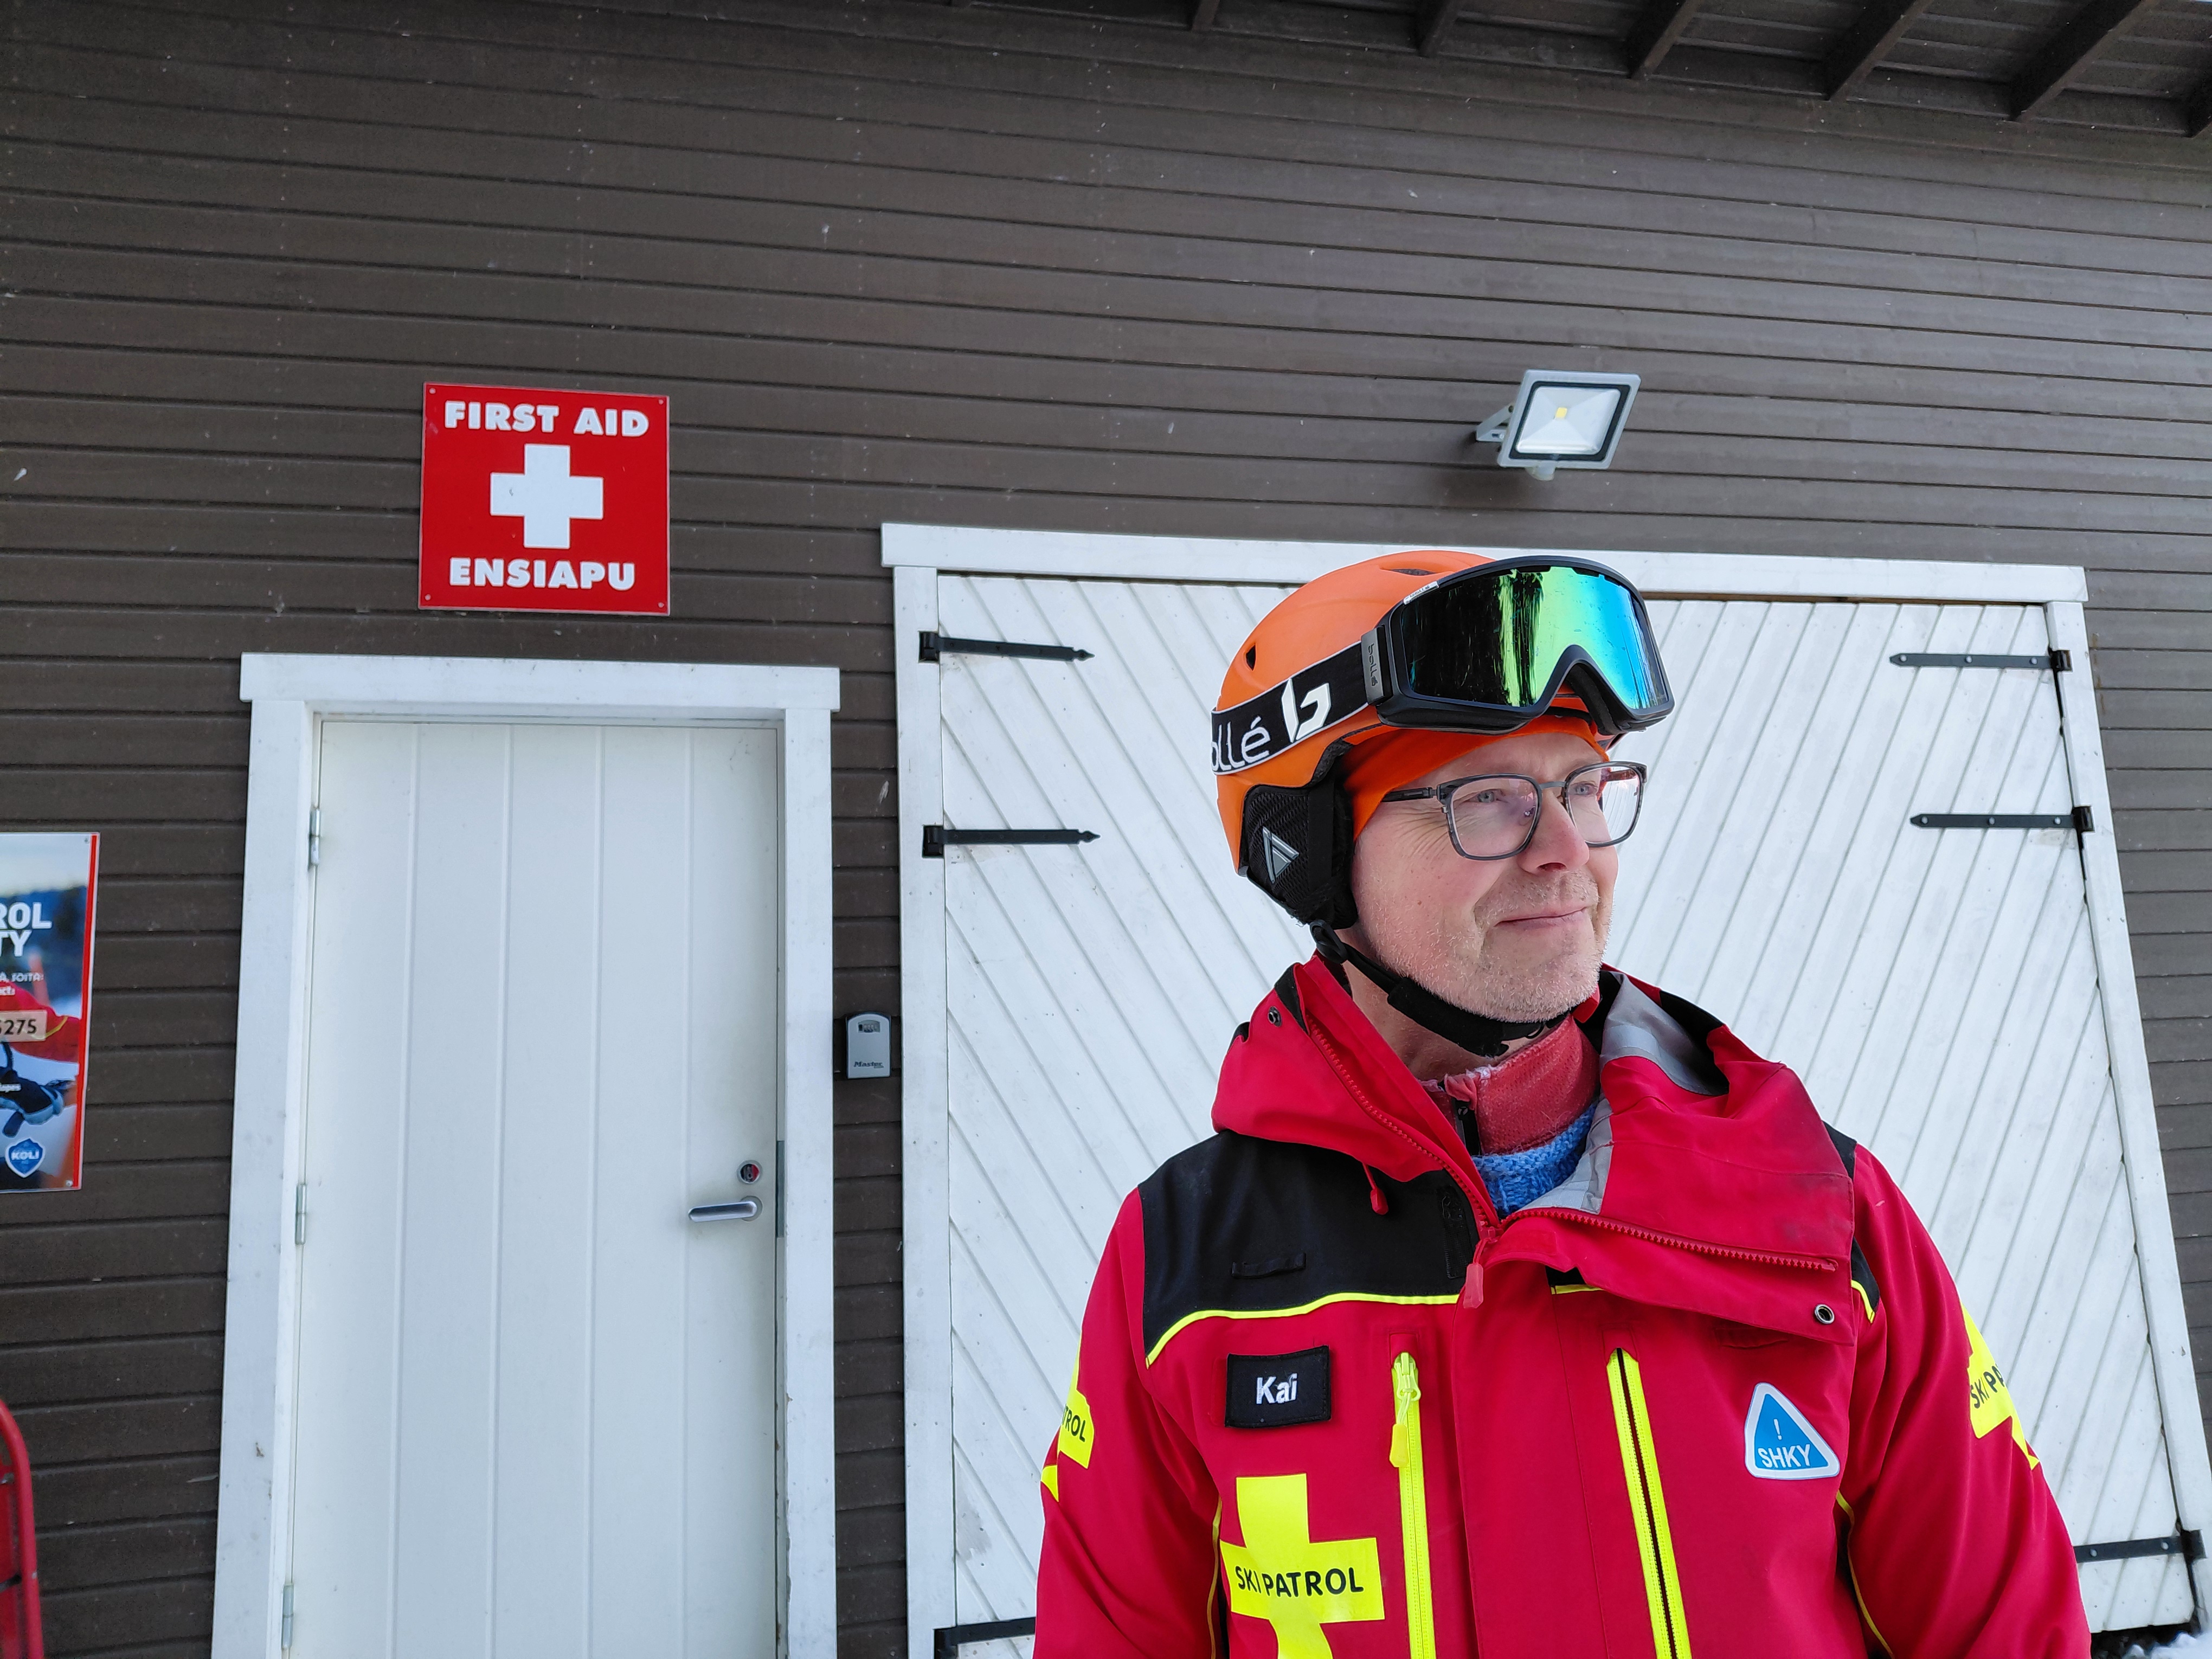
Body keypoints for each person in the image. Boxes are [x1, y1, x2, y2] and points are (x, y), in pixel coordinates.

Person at [1032, 550, 2087, 1657]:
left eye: (1584, 788)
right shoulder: (1188, 1264)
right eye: (1491, 799)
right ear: (1315, 855)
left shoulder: (1818, 1210)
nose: (1569, 854)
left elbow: (2007, 1633)